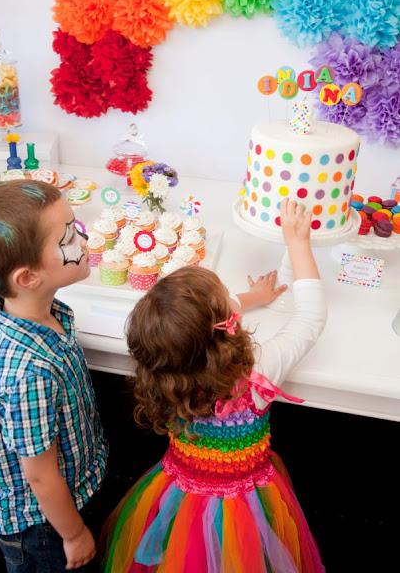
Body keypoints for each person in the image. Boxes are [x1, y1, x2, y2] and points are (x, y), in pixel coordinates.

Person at [100, 198, 326, 572]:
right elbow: (310, 320)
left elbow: (208, 318)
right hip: (246, 507)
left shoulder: (165, 364)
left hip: (180, 494)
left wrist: (255, 298)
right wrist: (298, 244)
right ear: (222, 326)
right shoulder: (255, 373)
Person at [0, 180, 108, 572]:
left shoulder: (41, 312)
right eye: (68, 237)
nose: (82, 239)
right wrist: (73, 533)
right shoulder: (27, 373)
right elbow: (41, 476)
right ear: (28, 277)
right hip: (43, 528)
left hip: (67, 496)